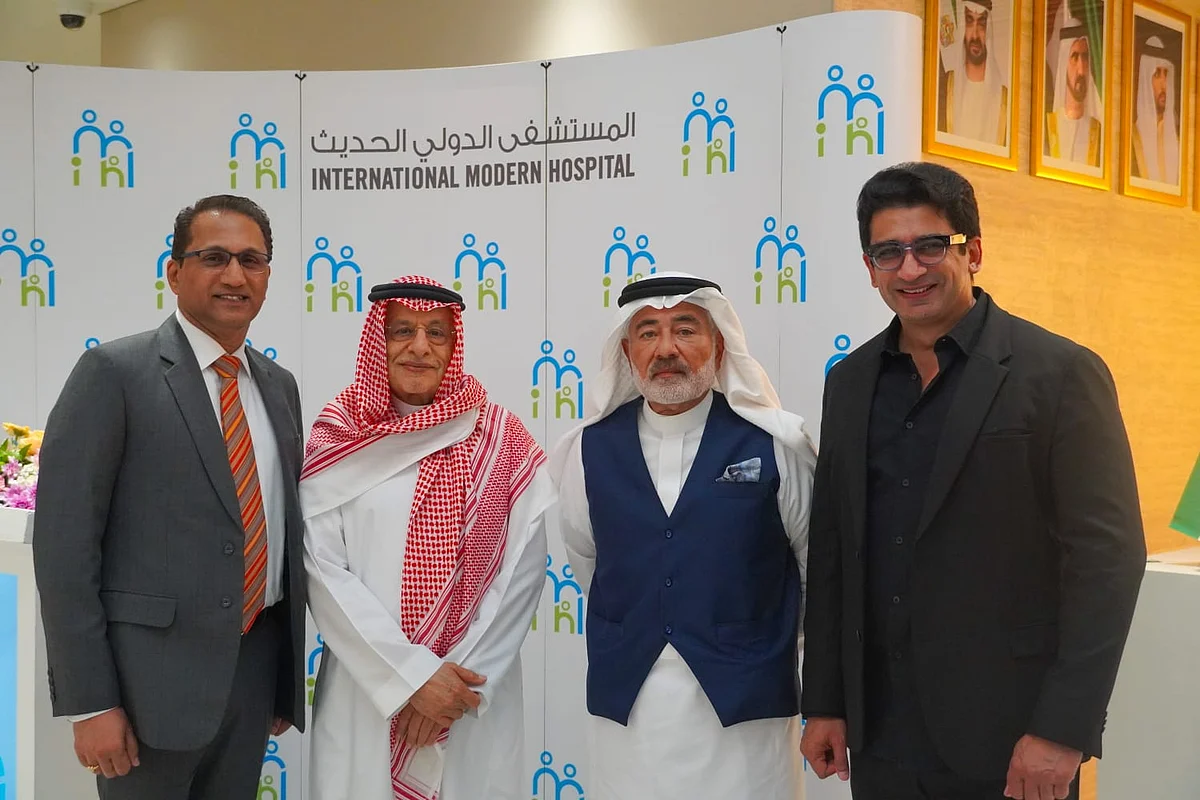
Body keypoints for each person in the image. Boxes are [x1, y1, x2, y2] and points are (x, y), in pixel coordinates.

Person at [799, 162, 1146, 800]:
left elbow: (1108, 561)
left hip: (1011, 736)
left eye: (931, 246)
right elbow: (833, 550)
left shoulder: (1060, 373)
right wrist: (823, 699)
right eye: (888, 253)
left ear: (974, 251)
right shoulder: (848, 383)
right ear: (870, 267)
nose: (910, 269)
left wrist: (1063, 729)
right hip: (880, 736)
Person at [32, 194, 307, 799]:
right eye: (214, 257)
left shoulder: (279, 387)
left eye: (252, 260)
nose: (235, 275)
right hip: (142, 694)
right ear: (175, 272)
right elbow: (64, 549)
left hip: (251, 678)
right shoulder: (113, 373)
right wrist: (90, 702)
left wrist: (282, 682)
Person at [552, 272, 817, 799]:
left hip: (746, 713)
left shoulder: (775, 443)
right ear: (627, 352)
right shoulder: (586, 450)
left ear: (718, 346)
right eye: (648, 333)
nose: (666, 349)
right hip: (631, 712)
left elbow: (814, 567)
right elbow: (588, 560)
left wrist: (753, 642)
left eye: (686, 330)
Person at [300, 276, 552, 800]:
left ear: (453, 345)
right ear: (378, 340)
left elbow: (521, 574)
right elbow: (322, 570)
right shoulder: (340, 433)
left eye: (436, 333)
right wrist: (411, 678)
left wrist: (451, 688)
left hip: (470, 694)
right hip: (367, 691)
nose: (419, 347)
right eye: (403, 331)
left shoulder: (500, 437)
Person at [942, 0, 1009, 146]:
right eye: (969, 21)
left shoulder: (1004, 101)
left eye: (982, 24)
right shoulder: (944, 89)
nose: (975, 35)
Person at [1045, 14, 1102, 167]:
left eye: (1085, 57)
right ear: (1064, 63)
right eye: (1075, 57)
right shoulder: (1046, 130)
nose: (1081, 70)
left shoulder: (1099, 134)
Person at [1131, 34, 1180, 185]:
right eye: (1157, 74)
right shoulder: (1132, 141)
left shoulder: (1179, 140)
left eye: (1166, 74)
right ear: (1146, 79)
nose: (1164, 84)